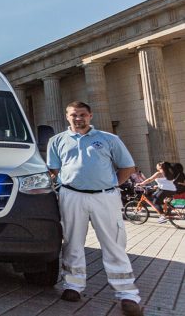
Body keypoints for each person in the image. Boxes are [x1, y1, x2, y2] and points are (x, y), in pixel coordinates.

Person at [48, 101, 142, 316]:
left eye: (82, 114)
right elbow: (54, 169)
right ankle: (73, 286)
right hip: (71, 195)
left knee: (114, 244)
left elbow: (127, 167)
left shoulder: (109, 139)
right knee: (72, 242)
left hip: (104, 197)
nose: (78, 118)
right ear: (67, 116)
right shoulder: (57, 141)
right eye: (74, 115)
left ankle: (127, 294)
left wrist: (111, 185)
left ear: (90, 116)